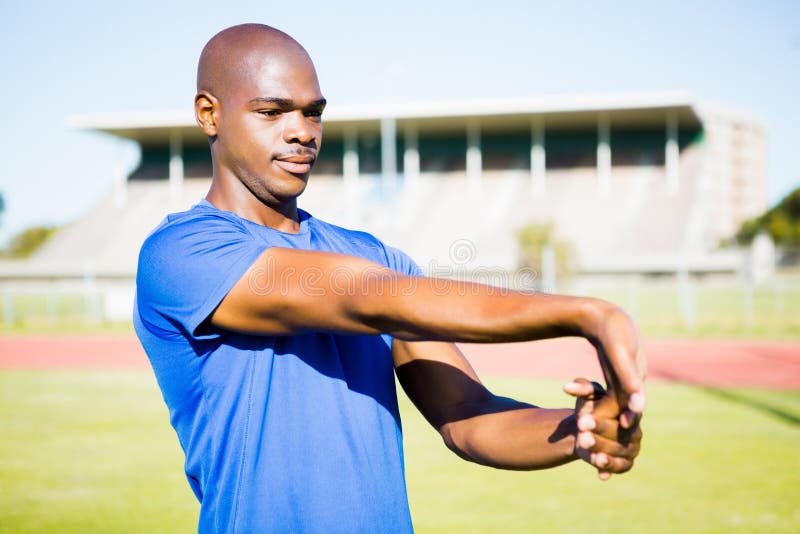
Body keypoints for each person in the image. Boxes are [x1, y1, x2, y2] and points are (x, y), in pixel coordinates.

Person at [134, 23, 646, 533]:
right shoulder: (182, 253)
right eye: (272, 112)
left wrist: (578, 430)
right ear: (209, 114)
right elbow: (366, 297)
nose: (302, 131)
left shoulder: (374, 257)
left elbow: (468, 414)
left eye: (314, 112)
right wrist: (587, 314)